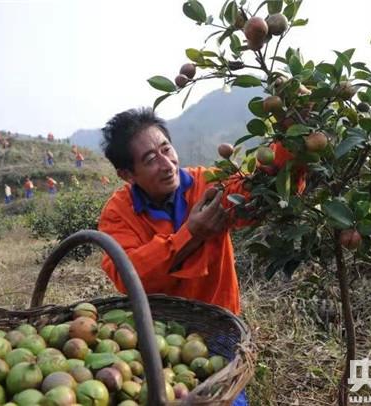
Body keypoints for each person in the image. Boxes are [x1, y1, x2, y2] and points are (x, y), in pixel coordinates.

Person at [98, 108, 265, 405]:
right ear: (127, 174)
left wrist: (292, 143)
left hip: (220, 327)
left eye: (166, 149)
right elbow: (130, 274)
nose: (167, 164)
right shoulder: (118, 214)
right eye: (150, 159)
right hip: (157, 336)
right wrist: (191, 234)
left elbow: (261, 194)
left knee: (227, 399)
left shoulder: (209, 185)